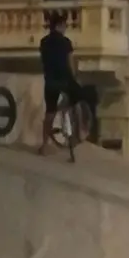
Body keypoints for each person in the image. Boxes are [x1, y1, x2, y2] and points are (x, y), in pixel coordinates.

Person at [38, 13, 85, 154]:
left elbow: (43, 61)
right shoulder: (66, 42)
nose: (65, 29)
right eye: (64, 26)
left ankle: (44, 144)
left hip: (50, 79)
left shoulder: (44, 42)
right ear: (59, 26)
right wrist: (75, 77)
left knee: (49, 113)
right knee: (77, 100)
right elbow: (70, 63)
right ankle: (80, 130)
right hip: (65, 79)